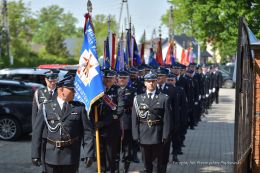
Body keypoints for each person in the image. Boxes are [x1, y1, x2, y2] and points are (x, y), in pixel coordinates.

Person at [31, 76, 94, 173]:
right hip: (51, 155)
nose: (74, 92)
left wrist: (89, 153)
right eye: (71, 89)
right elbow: (37, 132)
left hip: (71, 155)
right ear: (61, 90)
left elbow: (87, 132)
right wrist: (35, 154)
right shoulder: (46, 107)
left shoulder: (79, 108)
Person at [132, 72, 172, 173]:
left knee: (157, 164)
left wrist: (165, 135)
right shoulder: (138, 99)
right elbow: (134, 119)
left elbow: (167, 119)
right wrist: (135, 135)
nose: (151, 83)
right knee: (146, 164)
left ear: (156, 82)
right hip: (144, 134)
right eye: (148, 81)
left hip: (157, 134)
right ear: (145, 83)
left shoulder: (164, 98)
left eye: (153, 81)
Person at [31, 69, 59, 173]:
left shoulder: (61, 92)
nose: (52, 82)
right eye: (50, 80)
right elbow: (35, 116)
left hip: (57, 134)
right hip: (44, 135)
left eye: (54, 80)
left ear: (57, 79)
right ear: (45, 80)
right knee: (46, 166)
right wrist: (36, 134)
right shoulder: (39, 93)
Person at [116, 70, 136, 173]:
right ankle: (115, 167)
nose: (122, 80)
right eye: (120, 78)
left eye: (124, 78)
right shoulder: (114, 90)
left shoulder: (132, 90)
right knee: (115, 146)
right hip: (115, 121)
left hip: (127, 120)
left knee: (127, 146)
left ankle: (126, 167)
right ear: (117, 79)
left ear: (128, 79)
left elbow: (132, 104)